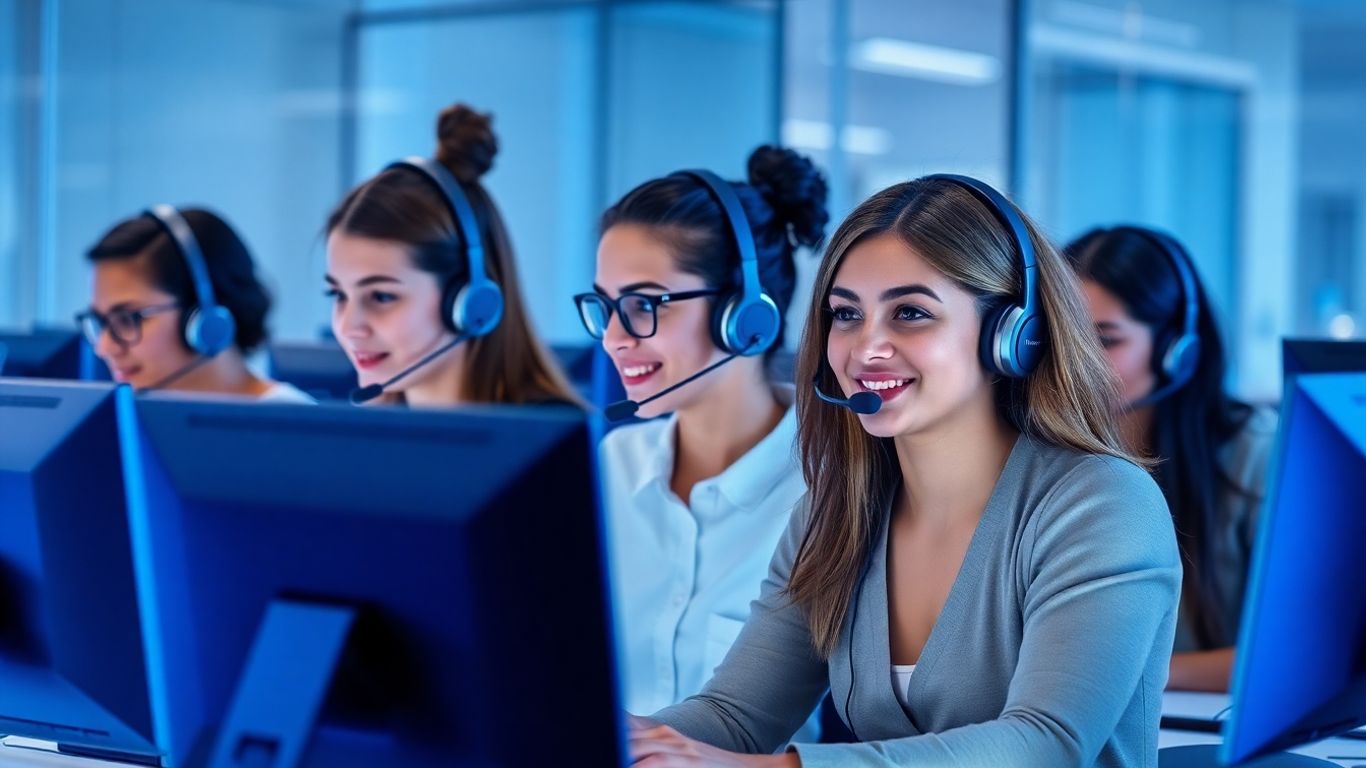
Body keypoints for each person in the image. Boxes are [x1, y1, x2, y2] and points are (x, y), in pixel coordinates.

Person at [627, 176, 1181, 768]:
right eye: (845, 314)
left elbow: (1045, 743)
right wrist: (608, 735)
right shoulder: (835, 512)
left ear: (1010, 337)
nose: (866, 349)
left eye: (911, 313)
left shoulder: (1102, 505)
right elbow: (733, 718)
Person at [577, 146, 827, 738]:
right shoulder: (610, 465)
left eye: (643, 305)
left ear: (745, 314)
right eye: (606, 307)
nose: (613, 339)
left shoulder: (832, 488)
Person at [1066, 225, 1276, 692]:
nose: (1076, 364)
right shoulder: (1038, 456)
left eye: (1105, 340)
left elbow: (1294, 656)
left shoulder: (1256, 455)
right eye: (1065, 339)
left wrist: (1123, 676)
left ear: (1175, 351)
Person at [325, 103, 577, 407]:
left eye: (381, 296)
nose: (350, 327)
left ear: (470, 303)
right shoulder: (361, 440)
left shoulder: (554, 444)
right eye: (338, 295)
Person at [80, 206, 311, 402]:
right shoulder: (132, 427)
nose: (104, 347)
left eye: (127, 319)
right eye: (100, 322)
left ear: (202, 319)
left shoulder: (295, 428)